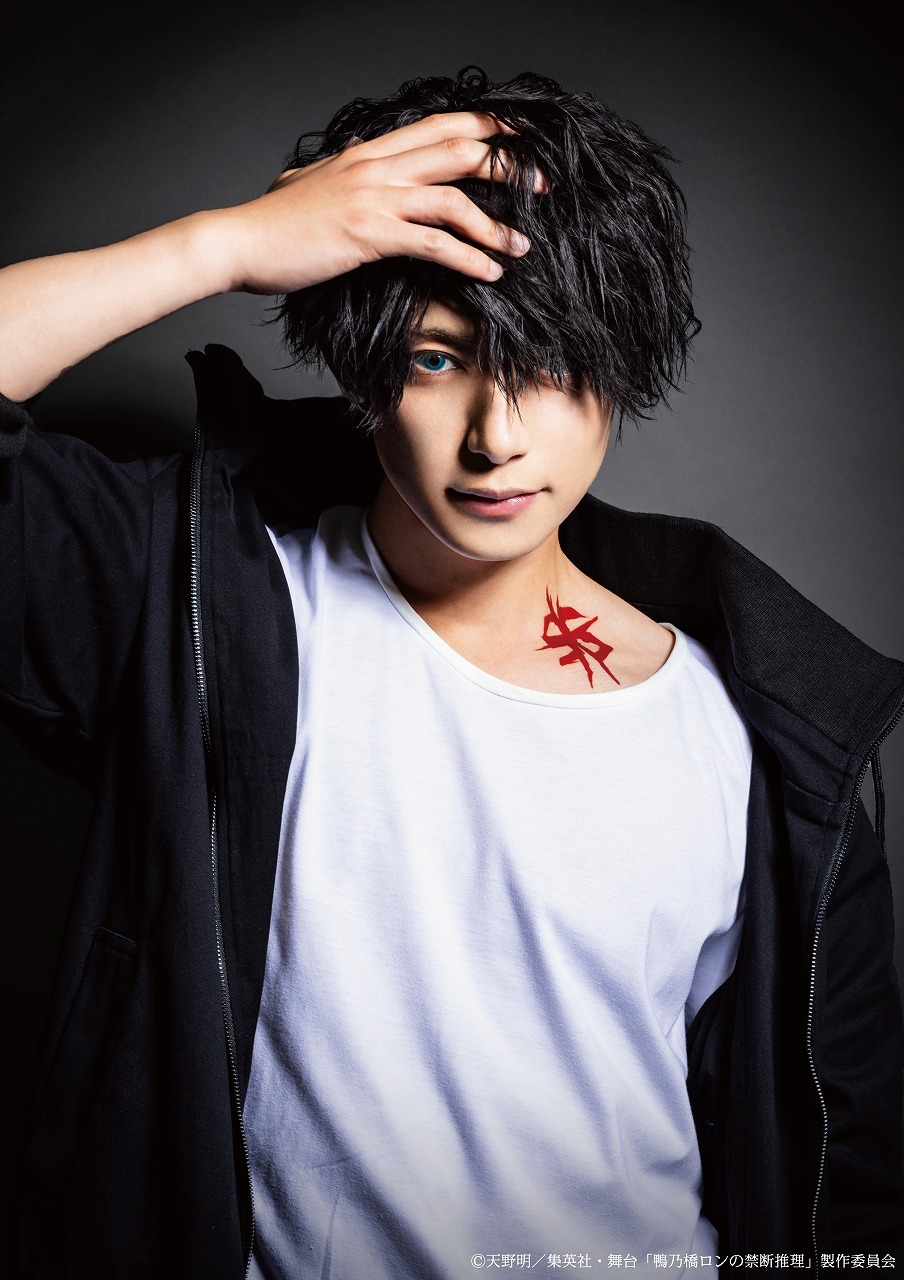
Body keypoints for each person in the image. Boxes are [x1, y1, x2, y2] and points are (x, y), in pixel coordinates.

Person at [0, 65, 901, 1280]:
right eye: (436, 359)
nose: (497, 435)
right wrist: (225, 245)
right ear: (363, 370)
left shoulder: (775, 737)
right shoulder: (201, 602)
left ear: (624, 370)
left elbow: (851, 1194)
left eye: (556, 364)